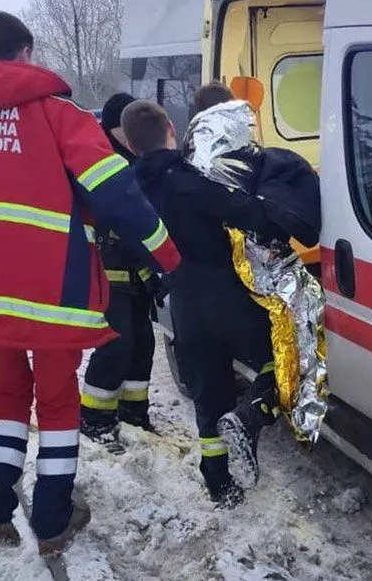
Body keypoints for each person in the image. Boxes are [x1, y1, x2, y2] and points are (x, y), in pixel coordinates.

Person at [0, 11, 182, 554]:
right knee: (56, 399)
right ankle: (54, 519)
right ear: (25, 54)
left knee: (3, 393)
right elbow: (114, 192)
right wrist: (166, 253)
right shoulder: (59, 114)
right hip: (48, 287)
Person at [122, 94, 285, 507]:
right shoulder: (190, 180)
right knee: (280, 361)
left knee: (209, 392)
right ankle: (249, 418)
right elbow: (248, 214)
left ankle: (219, 485)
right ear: (172, 132)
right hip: (225, 295)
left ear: (130, 145)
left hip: (183, 304)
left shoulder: (131, 189)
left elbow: (134, 244)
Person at [79, 93, 164, 453]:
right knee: (117, 343)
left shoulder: (134, 157)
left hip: (138, 270)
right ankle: (95, 419)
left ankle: (134, 413)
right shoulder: (101, 159)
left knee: (143, 342)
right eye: (121, 126)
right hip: (109, 270)